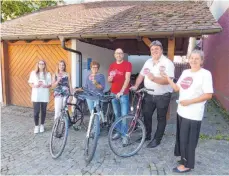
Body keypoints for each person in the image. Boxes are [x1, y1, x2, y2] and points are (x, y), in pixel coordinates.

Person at [162, 50, 213, 173]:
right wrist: (168, 79)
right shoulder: (185, 72)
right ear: (188, 59)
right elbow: (176, 88)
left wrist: (190, 101)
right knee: (181, 138)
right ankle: (183, 159)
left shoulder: (205, 74)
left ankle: (188, 165)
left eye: (197, 59)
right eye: (192, 58)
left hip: (193, 114)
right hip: (182, 111)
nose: (194, 60)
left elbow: (208, 95)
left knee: (189, 140)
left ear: (201, 61)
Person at [131, 40, 175, 148]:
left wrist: (154, 78)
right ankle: (147, 135)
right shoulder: (148, 62)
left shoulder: (168, 63)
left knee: (161, 118)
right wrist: (136, 86)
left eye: (156, 49)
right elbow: (141, 75)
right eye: (152, 49)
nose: (154, 51)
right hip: (149, 94)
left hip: (163, 96)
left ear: (161, 50)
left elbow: (168, 81)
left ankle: (157, 139)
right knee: (147, 115)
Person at [108, 48, 132, 145]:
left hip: (123, 94)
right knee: (117, 114)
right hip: (113, 93)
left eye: (120, 53)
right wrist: (109, 79)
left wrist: (121, 91)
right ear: (114, 55)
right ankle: (118, 132)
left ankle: (125, 135)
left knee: (124, 115)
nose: (119, 55)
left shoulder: (127, 64)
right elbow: (110, 80)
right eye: (117, 53)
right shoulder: (112, 66)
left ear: (123, 55)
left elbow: (127, 79)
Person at [28, 60, 52, 134]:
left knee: (44, 111)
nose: (41, 65)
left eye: (43, 64)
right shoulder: (33, 73)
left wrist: (45, 85)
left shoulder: (48, 74)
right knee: (36, 112)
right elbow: (30, 82)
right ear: (37, 65)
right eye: (40, 64)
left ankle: (42, 125)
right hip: (36, 95)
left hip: (44, 94)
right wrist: (34, 85)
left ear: (45, 65)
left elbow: (50, 84)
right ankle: (36, 126)